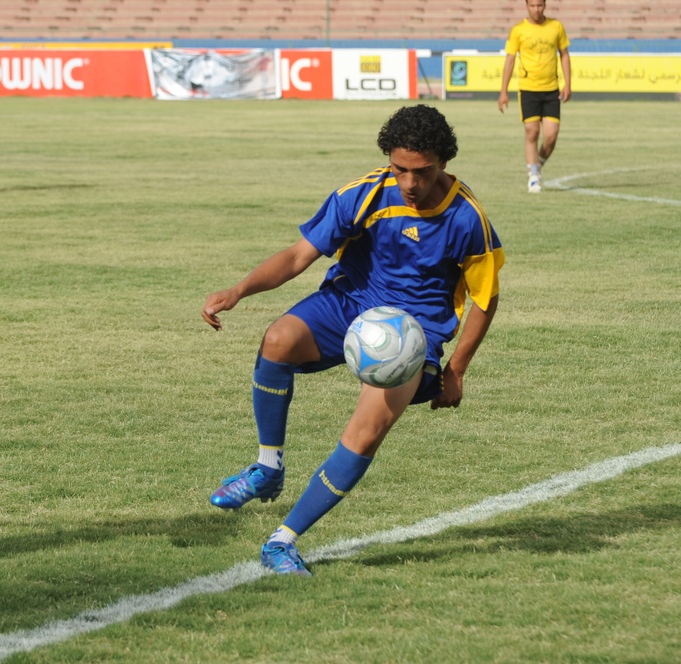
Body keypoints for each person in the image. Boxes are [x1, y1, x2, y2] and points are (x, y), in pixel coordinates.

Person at [201, 105, 504, 577]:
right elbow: (300, 255)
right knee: (278, 339)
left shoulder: (468, 218)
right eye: (399, 169)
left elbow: (485, 300)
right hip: (349, 304)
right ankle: (267, 468)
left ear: (443, 162)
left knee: (365, 433)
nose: (409, 182)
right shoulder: (362, 194)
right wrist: (239, 290)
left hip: (412, 333)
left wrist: (456, 370)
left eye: (421, 172)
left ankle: (282, 541)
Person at [498, 0, 571, 194]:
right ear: (527, 6)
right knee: (532, 132)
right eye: (533, 5)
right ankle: (533, 176)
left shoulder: (556, 27)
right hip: (528, 89)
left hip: (551, 89)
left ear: (545, 5)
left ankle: (537, 164)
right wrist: (503, 91)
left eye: (540, 5)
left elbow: (564, 54)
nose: (536, 9)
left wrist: (568, 84)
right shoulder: (518, 30)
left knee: (551, 135)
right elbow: (510, 59)